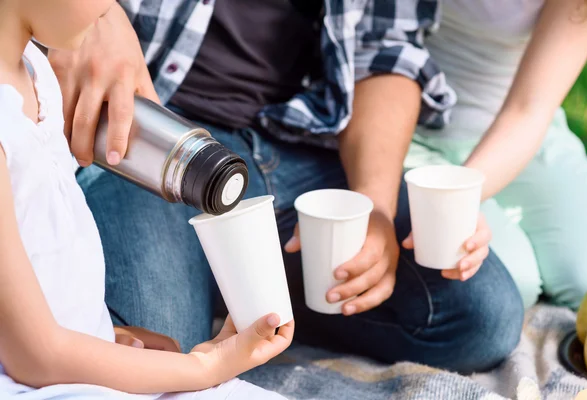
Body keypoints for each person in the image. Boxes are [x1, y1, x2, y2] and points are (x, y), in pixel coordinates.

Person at [52, 0, 524, 374]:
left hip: (297, 139)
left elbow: (384, 47)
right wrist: (97, 13)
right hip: (149, 139)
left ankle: (231, 280)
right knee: (154, 355)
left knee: (481, 316)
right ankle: (221, 279)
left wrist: (374, 204)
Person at [0, 0, 294, 398]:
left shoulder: (35, 72)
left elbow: (45, 255)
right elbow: (36, 357)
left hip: (62, 363)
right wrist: (203, 366)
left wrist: (100, 334)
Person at [404, 0, 587, 310]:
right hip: (409, 135)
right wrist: (453, 200)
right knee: (509, 288)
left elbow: (529, 109)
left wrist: (461, 194)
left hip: (521, 131)